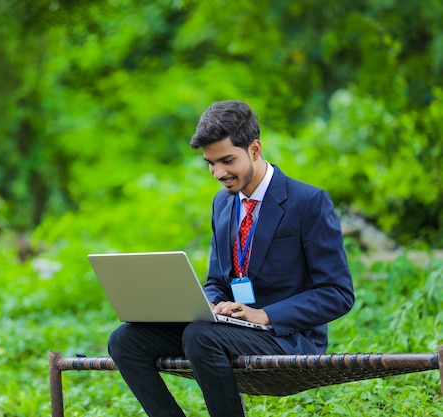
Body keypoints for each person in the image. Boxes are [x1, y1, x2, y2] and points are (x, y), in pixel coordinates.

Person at [107, 100, 355, 417]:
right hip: (227, 330)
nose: (218, 173)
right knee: (125, 341)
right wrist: (209, 304)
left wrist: (263, 314)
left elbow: (338, 294)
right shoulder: (222, 205)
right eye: (210, 163)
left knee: (200, 336)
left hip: (287, 338)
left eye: (226, 160)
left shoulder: (309, 202)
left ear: (254, 149)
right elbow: (217, 281)